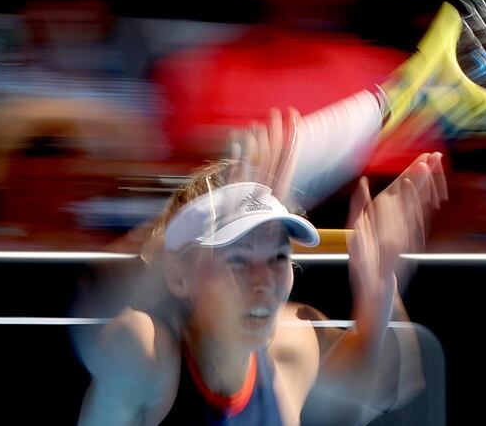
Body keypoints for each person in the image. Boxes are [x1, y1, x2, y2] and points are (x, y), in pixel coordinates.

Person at [74, 108, 447, 426]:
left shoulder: (291, 347)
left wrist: (380, 290)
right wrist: (183, 232)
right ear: (177, 275)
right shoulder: (148, 357)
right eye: (237, 260)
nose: (263, 281)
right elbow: (95, 311)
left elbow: (383, 386)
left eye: (278, 258)